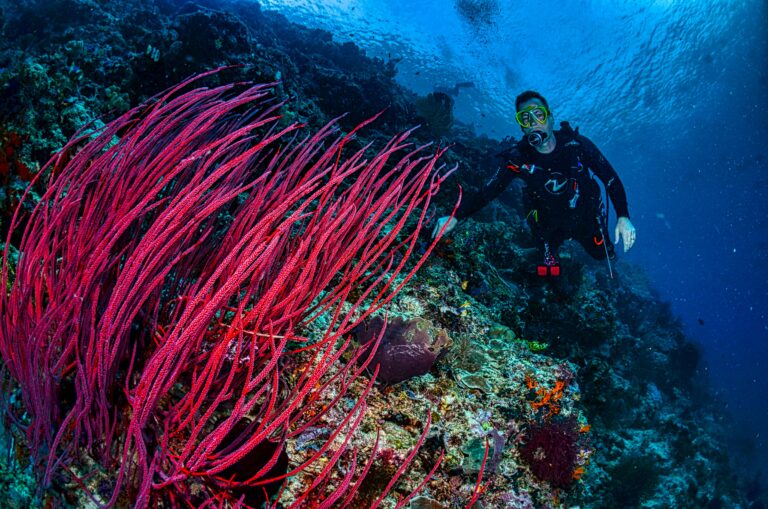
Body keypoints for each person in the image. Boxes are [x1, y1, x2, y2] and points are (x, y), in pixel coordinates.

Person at [431, 90, 636, 276]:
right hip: (549, 222)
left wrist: (623, 216)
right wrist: (456, 215)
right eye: (526, 118)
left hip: (585, 216)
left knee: (602, 255)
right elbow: (487, 191)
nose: (534, 123)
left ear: (550, 117)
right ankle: (553, 254)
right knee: (548, 272)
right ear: (522, 126)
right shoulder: (518, 158)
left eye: (538, 115)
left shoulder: (578, 145)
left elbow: (610, 178)